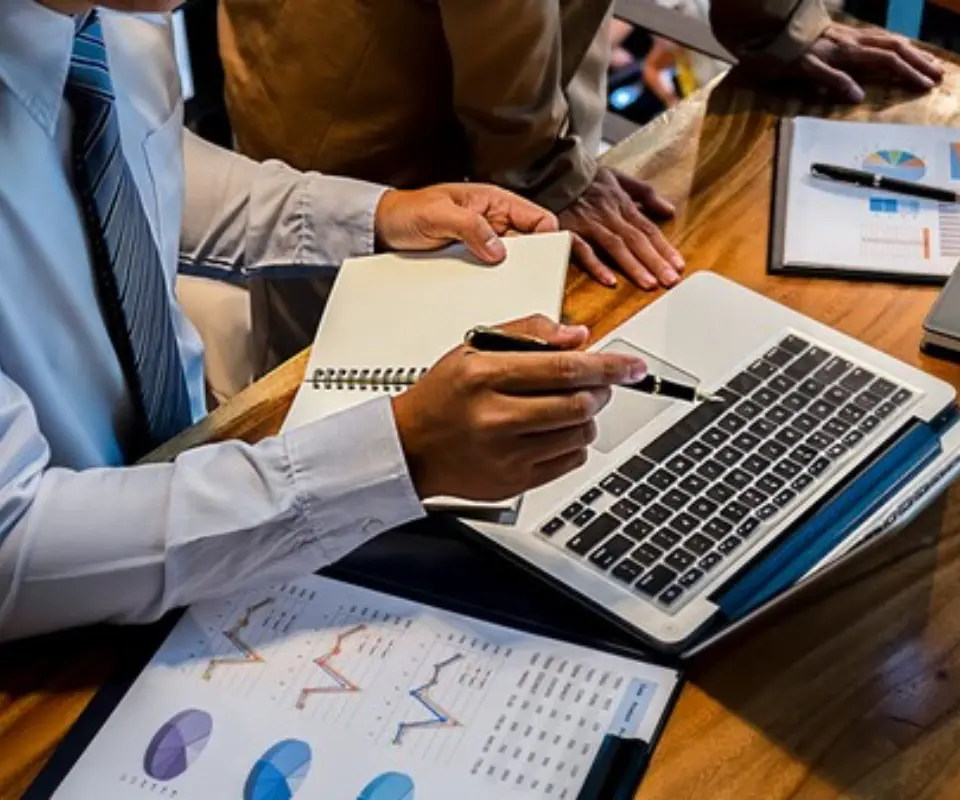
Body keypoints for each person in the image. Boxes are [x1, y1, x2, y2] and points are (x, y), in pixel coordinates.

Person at [0, 0, 648, 641]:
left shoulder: (114, 20)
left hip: (196, 486)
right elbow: (16, 544)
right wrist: (401, 453)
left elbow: (143, 154)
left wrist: (373, 215)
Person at [219, 0, 945, 373]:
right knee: (340, 360)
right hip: (360, 79)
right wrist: (544, 166)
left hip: (537, 82)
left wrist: (773, 19)